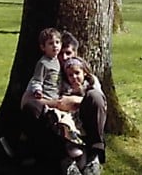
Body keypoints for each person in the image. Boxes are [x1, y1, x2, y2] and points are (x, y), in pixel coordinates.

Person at [18, 29, 106, 175]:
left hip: (81, 120)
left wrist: (75, 100)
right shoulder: (48, 73)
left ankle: (94, 154)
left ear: (75, 54)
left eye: (68, 53)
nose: (64, 58)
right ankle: (62, 158)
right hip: (56, 120)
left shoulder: (85, 76)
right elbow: (25, 101)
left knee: (95, 97)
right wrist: (57, 103)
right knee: (31, 107)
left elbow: (101, 101)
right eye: (60, 54)